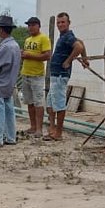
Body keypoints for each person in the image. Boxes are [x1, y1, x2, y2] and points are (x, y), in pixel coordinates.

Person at [45, 12, 89, 141]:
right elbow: (80, 42)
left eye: (63, 22)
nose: (60, 24)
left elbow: (78, 46)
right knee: (50, 103)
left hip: (60, 75)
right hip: (55, 75)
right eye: (58, 22)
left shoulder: (67, 36)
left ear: (68, 23)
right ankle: (52, 130)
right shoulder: (64, 36)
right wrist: (84, 58)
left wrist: (68, 61)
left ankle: (58, 133)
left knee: (58, 104)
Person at [0, 15, 22, 147]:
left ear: (1, 30)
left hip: (0, 83)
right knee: (9, 110)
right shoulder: (16, 46)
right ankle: (11, 137)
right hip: (10, 83)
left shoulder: (4, 47)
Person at [19, 16, 52, 139]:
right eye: (29, 25)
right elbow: (27, 55)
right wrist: (23, 55)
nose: (31, 27)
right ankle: (33, 126)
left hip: (37, 75)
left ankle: (39, 128)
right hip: (26, 73)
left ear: (38, 26)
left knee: (38, 102)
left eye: (33, 25)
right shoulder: (28, 40)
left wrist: (30, 55)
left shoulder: (43, 38)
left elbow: (47, 55)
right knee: (29, 102)